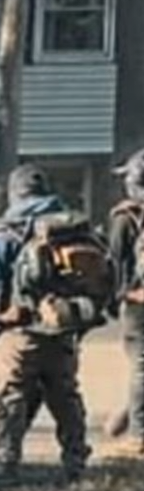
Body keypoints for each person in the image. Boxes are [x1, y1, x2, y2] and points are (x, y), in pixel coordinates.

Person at [0, 163, 92, 483]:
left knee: (13, 393)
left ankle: (5, 460)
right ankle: (76, 460)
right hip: (63, 327)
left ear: (14, 194)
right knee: (65, 395)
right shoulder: (73, 229)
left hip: (20, 329)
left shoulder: (4, 234)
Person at [106, 148, 144, 452]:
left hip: (137, 303)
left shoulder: (126, 217)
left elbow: (116, 266)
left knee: (141, 366)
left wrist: (113, 300)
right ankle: (129, 419)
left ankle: (138, 434)